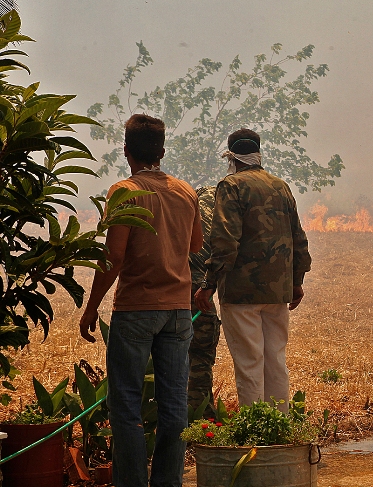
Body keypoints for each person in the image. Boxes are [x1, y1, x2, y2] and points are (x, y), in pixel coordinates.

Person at [80, 114, 202, 487]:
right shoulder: (185, 191)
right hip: (178, 312)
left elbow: (114, 256)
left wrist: (91, 307)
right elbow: (195, 245)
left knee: (126, 406)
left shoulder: (124, 191)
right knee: (174, 405)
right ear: (162, 152)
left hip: (136, 309)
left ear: (126, 150)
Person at [194, 128, 311, 413]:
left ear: (231, 158)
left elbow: (225, 241)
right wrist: (296, 281)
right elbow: (298, 238)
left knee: (249, 364)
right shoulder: (280, 186)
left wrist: (208, 284)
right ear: (258, 154)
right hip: (278, 292)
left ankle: (255, 429)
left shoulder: (231, 186)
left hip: (241, 293)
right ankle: (278, 426)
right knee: (275, 362)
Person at [187, 185, 221, 418]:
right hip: (199, 293)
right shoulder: (227, 214)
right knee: (199, 361)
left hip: (170, 289)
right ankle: (201, 421)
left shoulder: (190, 204)